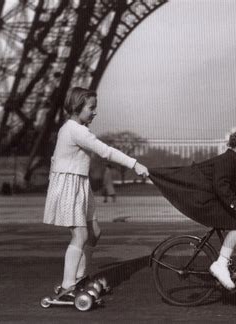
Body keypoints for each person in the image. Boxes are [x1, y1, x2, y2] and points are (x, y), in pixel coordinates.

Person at [43, 87, 149, 300]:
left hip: (79, 183)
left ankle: (79, 278)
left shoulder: (73, 128)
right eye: (91, 108)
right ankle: (67, 285)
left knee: (94, 233)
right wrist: (134, 164)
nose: (95, 112)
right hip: (69, 185)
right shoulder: (75, 130)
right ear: (77, 106)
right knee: (80, 235)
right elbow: (105, 151)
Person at [149, 123, 236, 290]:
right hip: (203, 200)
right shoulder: (229, 161)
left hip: (206, 197)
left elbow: (230, 188)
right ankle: (221, 264)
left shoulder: (232, 160)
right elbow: (221, 187)